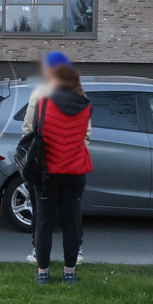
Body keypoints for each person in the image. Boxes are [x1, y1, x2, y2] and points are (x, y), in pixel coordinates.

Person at [22, 52, 90, 265]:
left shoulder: (40, 94)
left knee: (42, 215)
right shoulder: (82, 97)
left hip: (45, 166)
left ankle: (39, 256)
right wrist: (72, 152)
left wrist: (32, 155)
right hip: (74, 167)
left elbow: (28, 128)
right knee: (72, 214)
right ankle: (75, 255)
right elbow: (86, 133)